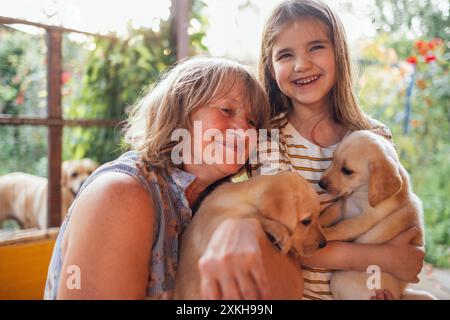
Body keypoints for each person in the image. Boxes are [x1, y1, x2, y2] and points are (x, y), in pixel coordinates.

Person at [44, 56, 279, 299]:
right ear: (179, 109)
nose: (243, 129)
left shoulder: (217, 200)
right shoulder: (121, 193)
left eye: (252, 121)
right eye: (226, 110)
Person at [250, 0, 425, 300]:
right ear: (270, 65)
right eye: (285, 55)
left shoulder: (375, 136)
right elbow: (290, 243)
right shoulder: (268, 140)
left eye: (316, 47)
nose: (301, 64)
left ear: (339, 53)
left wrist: (393, 267)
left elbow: (397, 230)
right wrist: (389, 258)